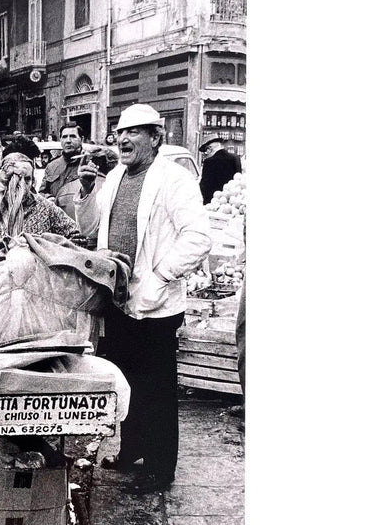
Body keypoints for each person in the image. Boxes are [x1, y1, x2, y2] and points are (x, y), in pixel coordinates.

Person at [74, 103, 211, 492]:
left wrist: (161, 276)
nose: (124, 139)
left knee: (157, 387)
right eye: (120, 132)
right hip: (118, 299)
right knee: (127, 381)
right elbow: (90, 228)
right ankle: (132, 448)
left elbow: (198, 237)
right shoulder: (115, 176)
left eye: (135, 132)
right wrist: (87, 190)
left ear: (155, 137)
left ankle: (159, 466)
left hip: (156, 303)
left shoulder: (174, 179)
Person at [0, 152, 80, 241]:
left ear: (33, 181)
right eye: (14, 178)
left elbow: (76, 237)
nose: (22, 185)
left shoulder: (45, 208)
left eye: (27, 179)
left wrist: (49, 249)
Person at [38, 122, 88, 216]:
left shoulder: (89, 163)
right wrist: (48, 198)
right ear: (60, 139)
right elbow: (41, 193)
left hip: (81, 219)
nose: (68, 141)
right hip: (56, 220)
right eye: (64, 137)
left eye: (73, 136)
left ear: (81, 139)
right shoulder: (52, 166)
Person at [198, 137, 241, 204]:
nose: (206, 155)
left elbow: (205, 187)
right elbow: (238, 183)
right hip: (231, 204)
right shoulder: (236, 159)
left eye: (206, 151)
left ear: (210, 148)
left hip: (213, 204)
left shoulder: (209, 162)